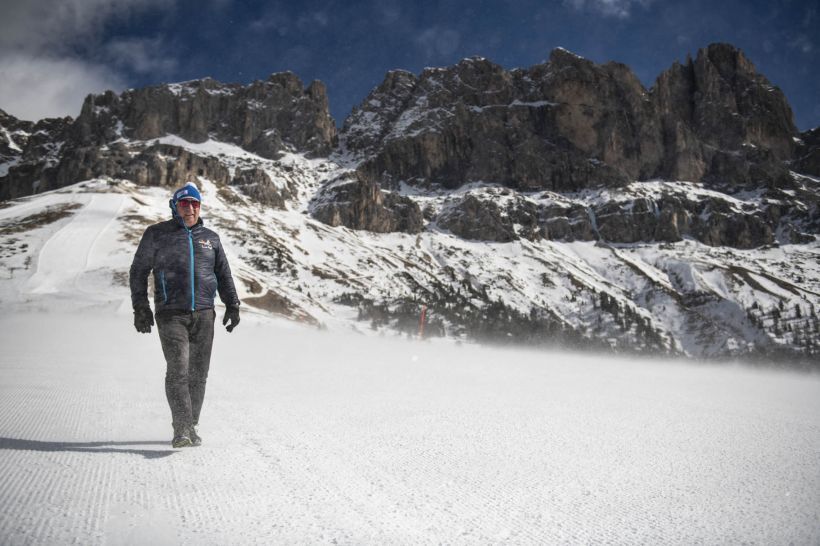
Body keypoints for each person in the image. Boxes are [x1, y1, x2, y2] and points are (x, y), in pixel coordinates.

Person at [129, 182, 241, 448]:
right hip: (171, 314)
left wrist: (233, 305)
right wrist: (140, 307)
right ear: (174, 206)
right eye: (184, 203)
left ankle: (191, 425)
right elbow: (138, 271)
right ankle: (181, 428)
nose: (189, 208)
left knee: (198, 374)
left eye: (194, 203)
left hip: (204, 314)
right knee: (178, 369)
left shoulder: (211, 238)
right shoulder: (156, 234)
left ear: (199, 206)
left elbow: (223, 273)